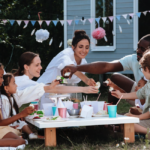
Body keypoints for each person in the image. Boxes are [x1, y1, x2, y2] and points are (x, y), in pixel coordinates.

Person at [61, 34, 150, 105]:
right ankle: (110, 110)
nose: (138, 51)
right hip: (140, 94)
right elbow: (106, 66)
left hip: (146, 98)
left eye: (142, 49)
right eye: (138, 47)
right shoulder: (134, 59)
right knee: (115, 77)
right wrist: (76, 67)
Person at [14, 51, 98, 109]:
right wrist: (84, 89)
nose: (41, 67)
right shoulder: (25, 81)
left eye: (40, 64)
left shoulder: (21, 79)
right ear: (26, 67)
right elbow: (55, 88)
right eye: (37, 65)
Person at [111, 50, 150, 137]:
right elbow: (139, 94)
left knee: (127, 123)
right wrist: (121, 95)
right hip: (147, 118)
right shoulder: (148, 85)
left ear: (147, 69)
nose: (142, 71)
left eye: (142, 68)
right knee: (125, 121)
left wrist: (137, 117)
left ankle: (147, 132)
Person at [0, 63, 35, 148]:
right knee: (20, 141)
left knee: (21, 141)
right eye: (1, 77)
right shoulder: (3, 98)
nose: (2, 80)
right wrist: (21, 114)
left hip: (2, 129)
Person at [1, 73, 43, 139]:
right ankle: (23, 136)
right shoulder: (3, 99)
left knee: (22, 123)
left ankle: (31, 134)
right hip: (4, 127)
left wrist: (22, 115)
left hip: (10, 125)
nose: (16, 85)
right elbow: (4, 120)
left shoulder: (11, 97)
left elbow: (12, 115)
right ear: (6, 88)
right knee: (17, 127)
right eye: (14, 83)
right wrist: (21, 114)